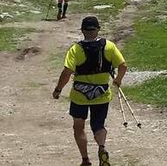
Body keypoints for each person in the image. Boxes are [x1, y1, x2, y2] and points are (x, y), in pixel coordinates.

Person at [53, 16, 127, 166]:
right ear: (98, 29)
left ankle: (85, 160)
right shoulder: (109, 46)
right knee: (98, 126)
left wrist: (58, 89)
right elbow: (123, 66)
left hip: (80, 95)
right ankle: (102, 147)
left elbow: (67, 72)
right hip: (102, 94)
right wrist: (118, 80)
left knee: (78, 127)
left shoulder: (76, 49)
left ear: (82, 31)